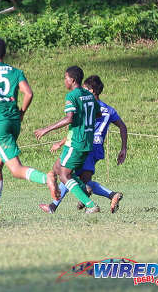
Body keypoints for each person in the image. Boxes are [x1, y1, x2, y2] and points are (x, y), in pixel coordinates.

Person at [0, 37, 59, 230]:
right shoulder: (15, 72)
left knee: (15, 169)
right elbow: (28, 93)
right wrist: (22, 113)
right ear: (4, 54)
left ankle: (46, 179)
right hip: (13, 122)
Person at [38, 75, 127, 214]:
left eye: (85, 88)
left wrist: (61, 141)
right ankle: (57, 204)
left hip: (84, 145)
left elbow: (80, 127)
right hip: (96, 148)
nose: (82, 91)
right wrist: (124, 149)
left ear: (91, 91)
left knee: (66, 174)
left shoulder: (86, 106)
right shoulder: (109, 110)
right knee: (70, 175)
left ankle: (103, 196)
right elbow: (122, 126)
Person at [34, 66, 102, 214]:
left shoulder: (72, 96)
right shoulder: (89, 95)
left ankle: (90, 205)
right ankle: (84, 188)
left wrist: (46, 129)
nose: (64, 81)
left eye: (65, 78)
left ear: (72, 80)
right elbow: (98, 114)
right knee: (58, 167)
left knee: (64, 175)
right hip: (86, 141)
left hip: (76, 141)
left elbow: (69, 118)